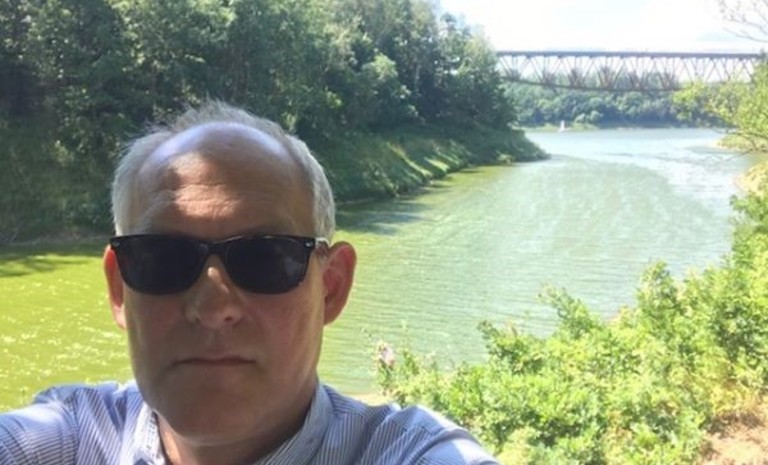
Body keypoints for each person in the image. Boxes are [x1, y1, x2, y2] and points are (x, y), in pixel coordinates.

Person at [0, 102, 500, 465]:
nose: (213, 307)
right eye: (162, 258)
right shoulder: (65, 440)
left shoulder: (409, 453)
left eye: (266, 258)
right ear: (118, 289)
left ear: (331, 287)